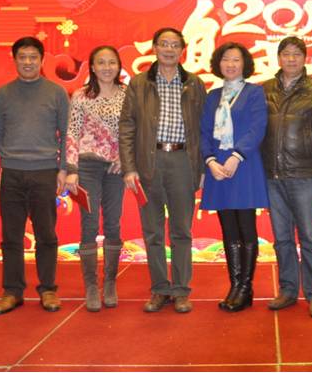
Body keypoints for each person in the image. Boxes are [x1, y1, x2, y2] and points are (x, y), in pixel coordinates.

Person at [119, 27, 205, 314]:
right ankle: (159, 288)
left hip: (183, 161)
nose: (169, 49)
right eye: (164, 44)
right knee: (153, 231)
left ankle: (180, 290)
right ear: (154, 47)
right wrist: (129, 167)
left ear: (182, 49)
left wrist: (202, 166)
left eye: (175, 45)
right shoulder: (139, 83)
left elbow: (204, 129)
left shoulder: (194, 83)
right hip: (149, 162)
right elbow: (127, 126)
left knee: (181, 230)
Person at [0, 36, 69, 315]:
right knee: (11, 236)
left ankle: (48, 289)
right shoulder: (3, 94)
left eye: (33, 57)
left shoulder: (56, 92)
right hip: (11, 174)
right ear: (15, 60)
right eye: (23, 57)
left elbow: (67, 134)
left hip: (45, 172)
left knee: (46, 234)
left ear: (42, 60)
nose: (28, 62)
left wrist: (64, 168)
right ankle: (12, 291)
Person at [261, 36, 312, 319]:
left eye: (296, 54)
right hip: (272, 175)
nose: (291, 59)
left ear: (305, 59)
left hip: (305, 175)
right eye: (286, 54)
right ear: (278, 58)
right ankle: (288, 290)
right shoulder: (264, 90)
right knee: (281, 238)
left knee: (310, 237)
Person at [200, 42, 269, 313]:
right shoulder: (212, 96)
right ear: (218, 64)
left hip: (244, 166)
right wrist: (210, 161)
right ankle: (235, 286)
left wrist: (236, 155)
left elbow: (257, 128)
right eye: (226, 59)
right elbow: (204, 132)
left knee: (246, 228)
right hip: (218, 167)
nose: (230, 64)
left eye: (236, 60)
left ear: (245, 64)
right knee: (228, 230)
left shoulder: (254, 92)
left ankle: (245, 287)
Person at [64, 46, 127, 312]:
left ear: (119, 66)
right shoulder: (80, 95)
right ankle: (91, 285)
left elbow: (134, 130)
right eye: (101, 62)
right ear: (92, 66)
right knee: (89, 224)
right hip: (86, 167)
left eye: (112, 62)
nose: (106, 67)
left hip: (116, 169)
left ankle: (110, 283)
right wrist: (71, 169)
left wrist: (126, 158)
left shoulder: (128, 94)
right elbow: (72, 132)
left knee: (113, 223)